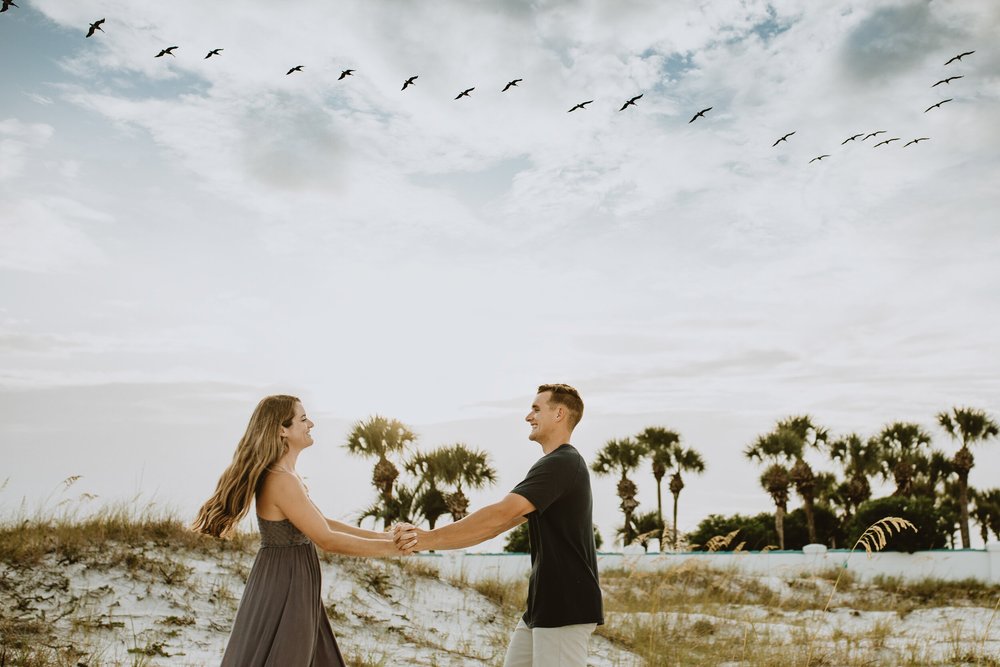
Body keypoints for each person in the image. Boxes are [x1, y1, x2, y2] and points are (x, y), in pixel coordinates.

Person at [192, 394, 416, 666]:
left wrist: (383, 536)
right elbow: (326, 539)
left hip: (291, 579)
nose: (311, 423)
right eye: (303, 418)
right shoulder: (281, 480)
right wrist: (394, 548)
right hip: (285, 585)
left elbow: (323, 523)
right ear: (282, 429)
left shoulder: (286, 476)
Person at [394, 383, 603, 666]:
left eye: (536, 409)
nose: (528, 416)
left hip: (565, 607)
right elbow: (493, 527)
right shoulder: (556, 464)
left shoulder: (562, 462)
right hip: (543, 607)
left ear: (559, 414)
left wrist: (426, 538)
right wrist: (424, 542)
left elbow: (500, 514)